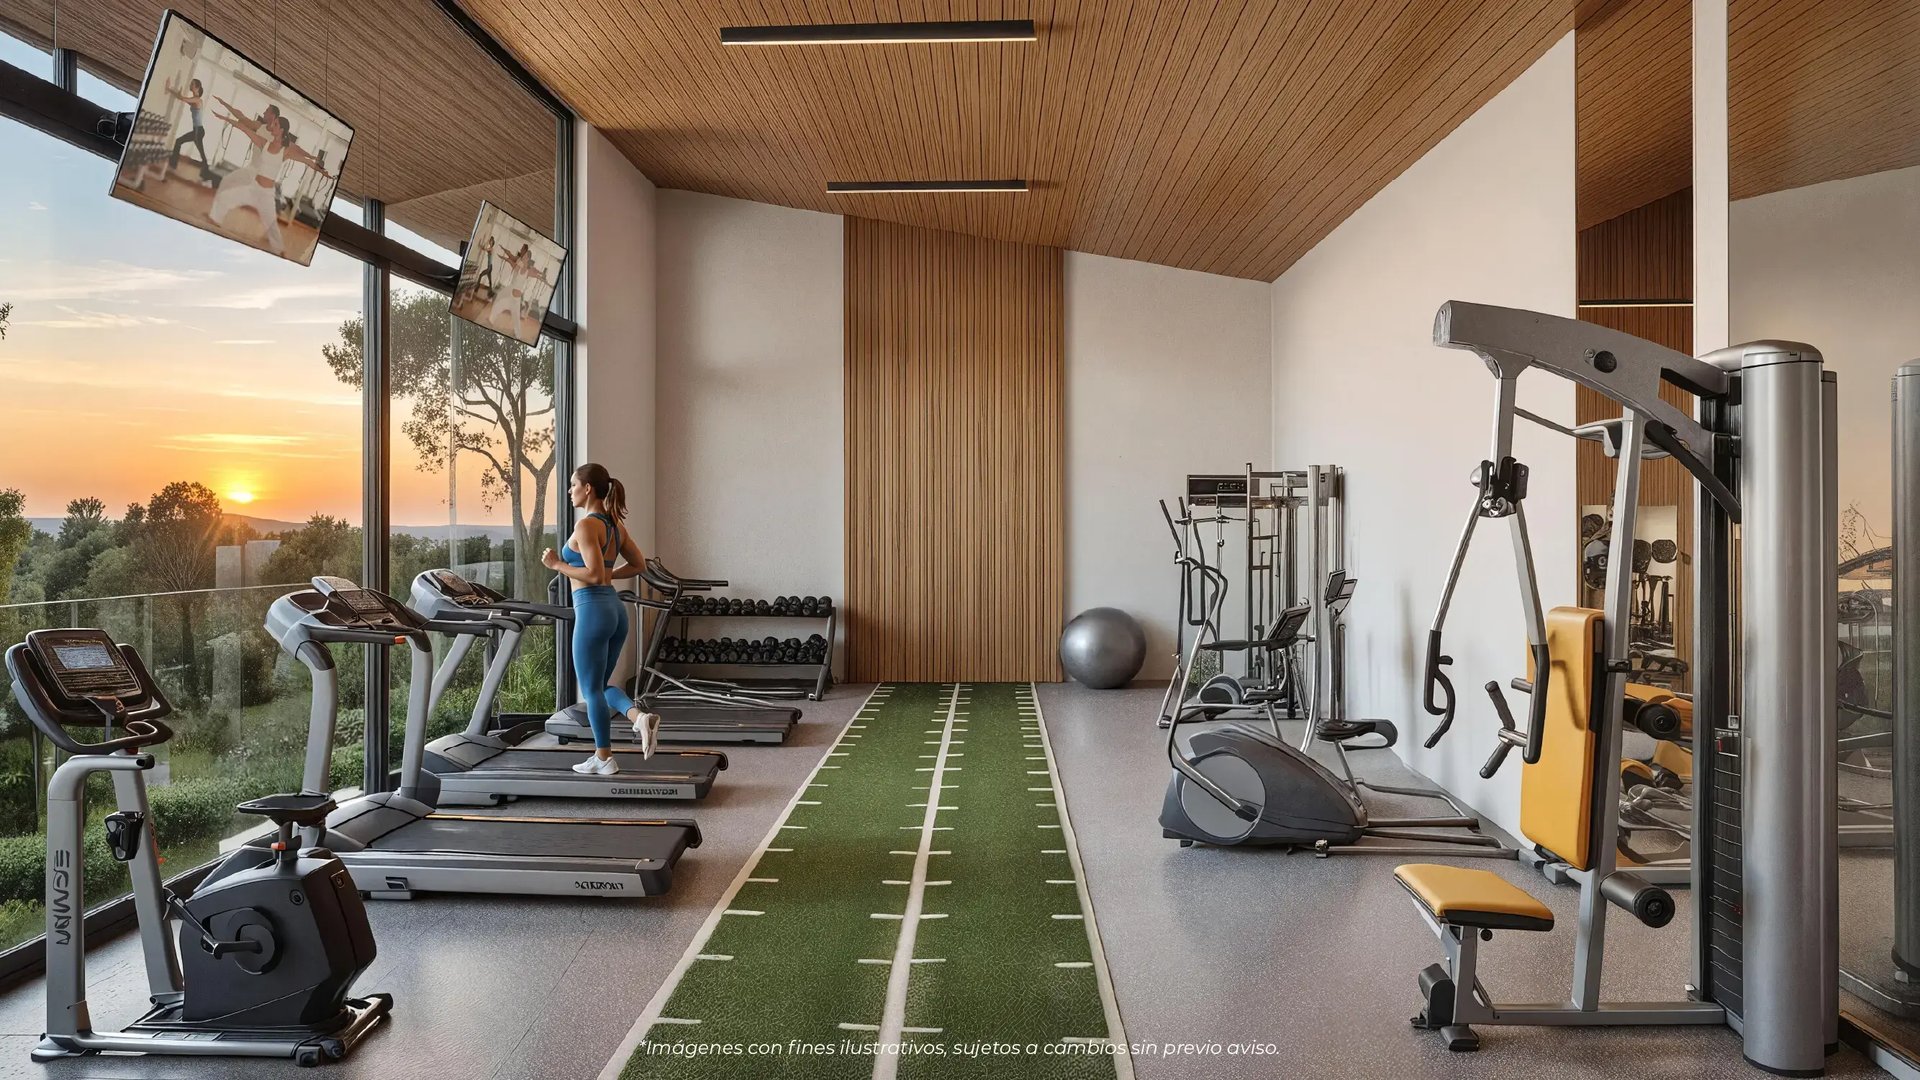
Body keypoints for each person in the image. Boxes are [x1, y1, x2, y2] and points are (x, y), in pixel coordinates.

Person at [542, 464, 662, 769]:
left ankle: (604, 757)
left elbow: (594, 575)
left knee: (591, 689)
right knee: (601, 685)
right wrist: (610, 574)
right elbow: (638, 565)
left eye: (572, 485)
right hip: (614, 611)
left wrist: (557, 565)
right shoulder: (614, 526)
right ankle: (639, 718)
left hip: (593, 611)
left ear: (588, 489)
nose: (570, 491)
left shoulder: (586, 527)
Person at [205, 103, 332, 255]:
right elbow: (244, 128)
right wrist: (225, 118)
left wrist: (322, 171)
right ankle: (214, 219)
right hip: (253, 188)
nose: (273, 125)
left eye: (276, 124)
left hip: (266, 194)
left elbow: (307, 161)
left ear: (282, 130)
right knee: (226, 197)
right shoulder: (264, 143)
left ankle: (279, 250)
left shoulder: (286, 151)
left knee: (271, 224)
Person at [166, 78, 209, 176]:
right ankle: (206, 171)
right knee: (201, 152)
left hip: (198, 131)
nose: (190, 85)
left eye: (192, 84)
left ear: (197, 87)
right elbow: (181, 97)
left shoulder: (197, 100)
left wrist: (170, 89)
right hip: (198, 130)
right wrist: (169, 89)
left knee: (178, 141)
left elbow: (182, 98)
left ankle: (173, 165)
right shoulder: (195, 100)